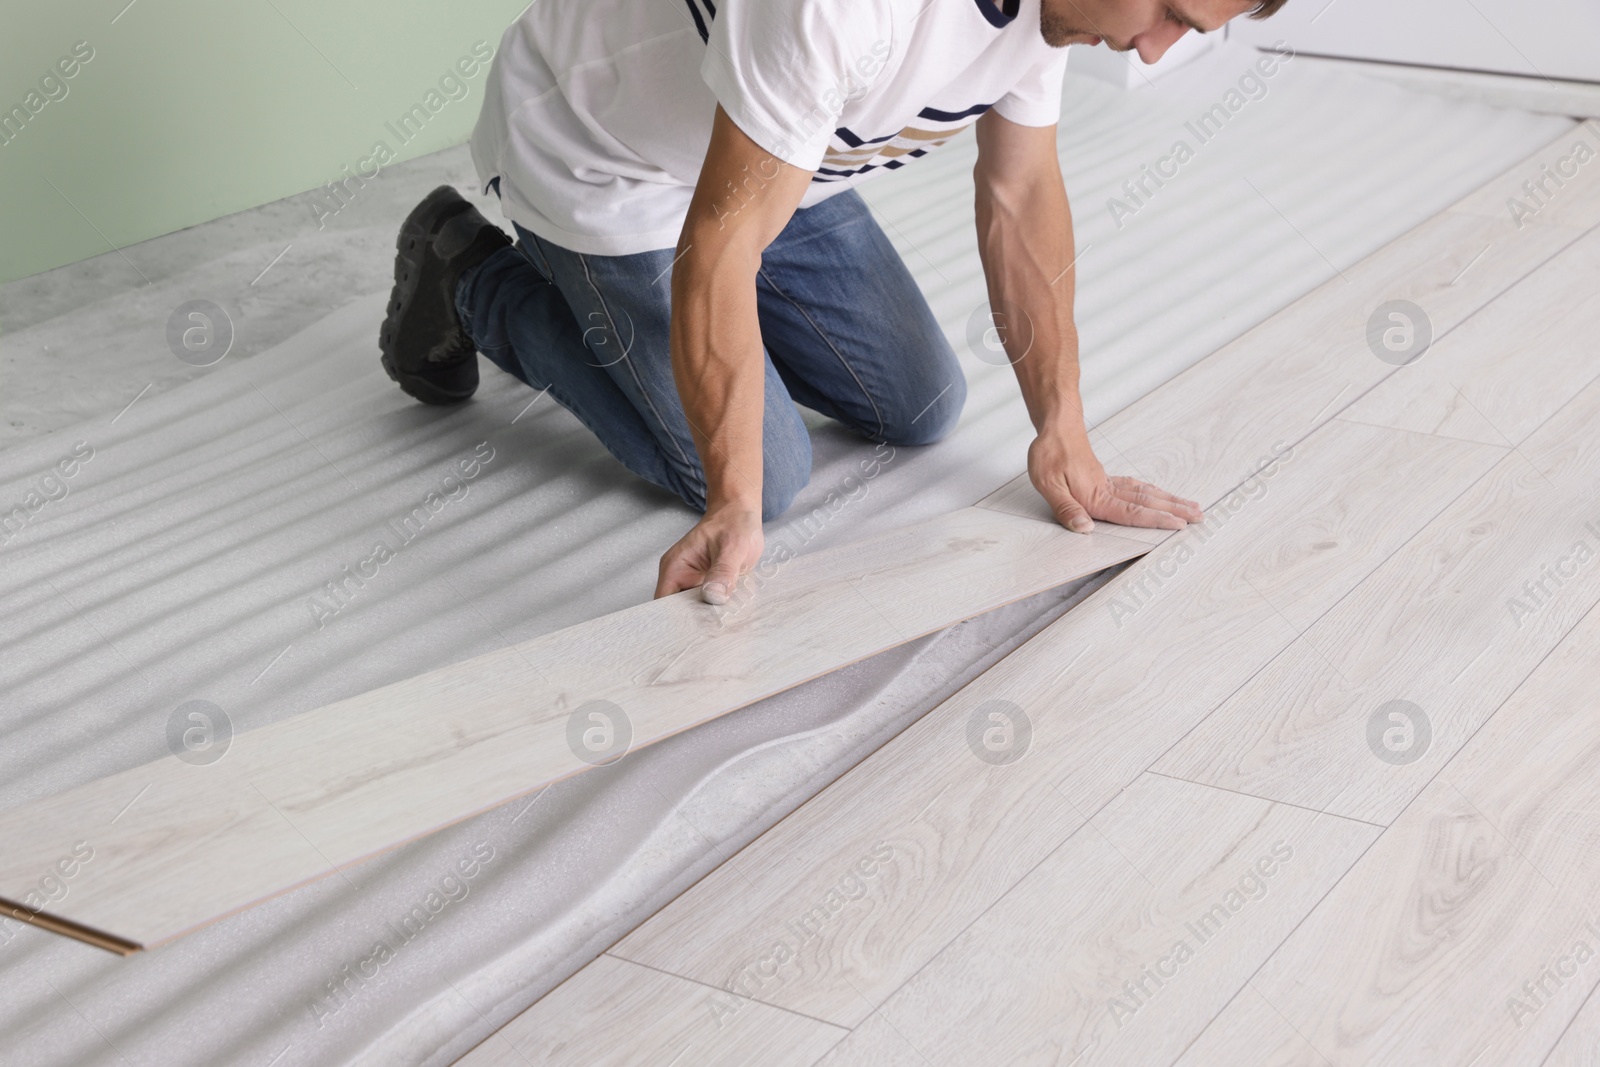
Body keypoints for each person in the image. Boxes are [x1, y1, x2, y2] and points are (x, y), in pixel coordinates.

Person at [379, 0, 1283, 603]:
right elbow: (719, 247)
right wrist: (732, 499)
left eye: (1193, 30)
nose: (1159, 46)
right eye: (1170, 9)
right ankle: (467, 275)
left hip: (779, 160)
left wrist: (1065, 429)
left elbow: (1021, 197)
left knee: (924, 403)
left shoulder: (1061, 14)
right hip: (605, 158)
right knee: (764, 476)